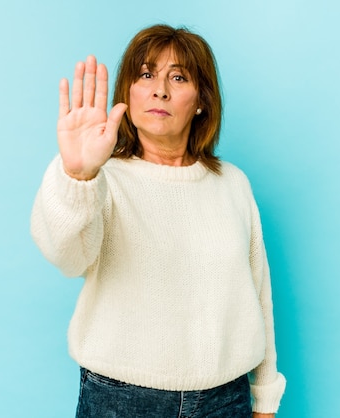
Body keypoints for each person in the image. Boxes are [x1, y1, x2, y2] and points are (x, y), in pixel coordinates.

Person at [30, 24, 286, 417]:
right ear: (128, 94)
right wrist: (77, 176)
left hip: (225, 400)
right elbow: (67, 257)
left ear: (201, 100)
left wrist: (265, 398)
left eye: (178, 77)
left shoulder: (232, 184)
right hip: (121, 400)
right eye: (146, 74)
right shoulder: (104, 179)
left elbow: (258, 294)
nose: (159, 90)